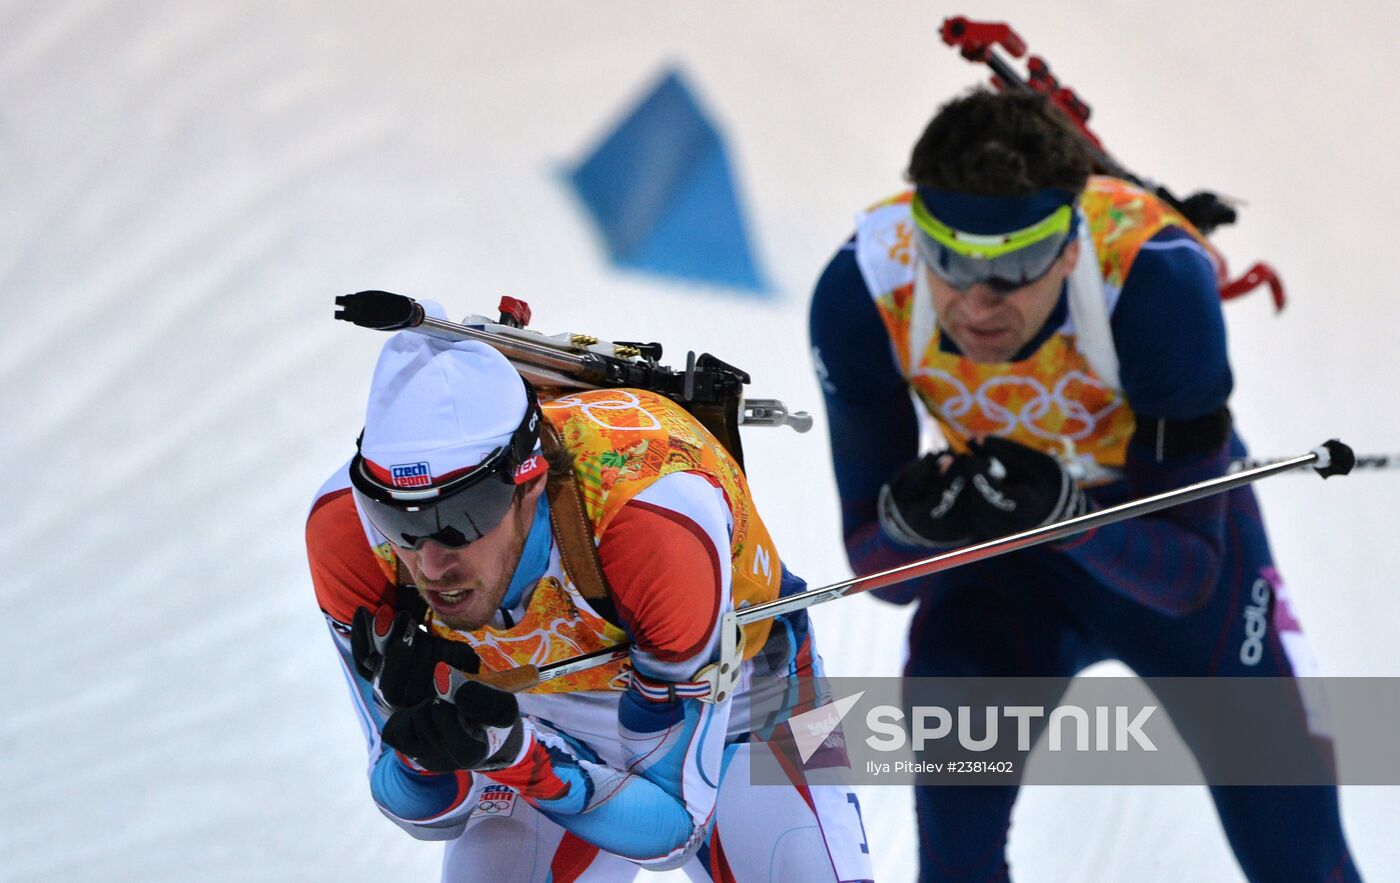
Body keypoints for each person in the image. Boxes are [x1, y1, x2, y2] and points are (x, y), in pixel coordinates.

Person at [808, 88, 1360, 881]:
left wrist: (1070, 513)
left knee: (1300, 858)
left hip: (1160, 541)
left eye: (1017, 265)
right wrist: (921, 523)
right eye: (951, 261)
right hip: (1005, 559)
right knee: (955, 860)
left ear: (1070, 247)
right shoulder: (865, 285)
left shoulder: (1154, 275)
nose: (978, 300)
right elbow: (877, 573)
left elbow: (1189, 577)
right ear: (917, 240)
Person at [306, 317, 873, 882]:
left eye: (461, 519)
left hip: (748, 696)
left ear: (529, 483)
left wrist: (515, 754)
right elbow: (422, 815)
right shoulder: (346, 532)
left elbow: (674, 830)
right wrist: (423, 748)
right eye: (395, 521)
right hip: (532, 701)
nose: (430, 563)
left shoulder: (651, 523)